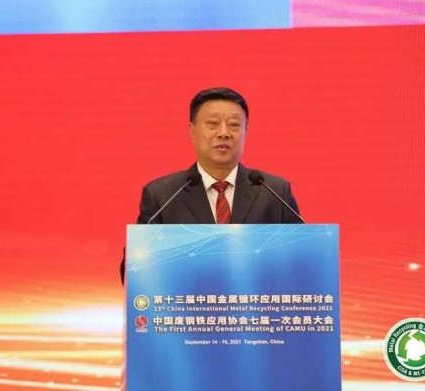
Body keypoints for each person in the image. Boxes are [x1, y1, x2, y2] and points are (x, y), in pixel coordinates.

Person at [121, 87, 302, 282]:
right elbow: (134, 271)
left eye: (234, 125)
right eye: (213, 124)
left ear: (245, 132)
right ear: (192, 131)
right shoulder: (162, 195)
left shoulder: (274, 192)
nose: (224, 133)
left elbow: (305, 258)